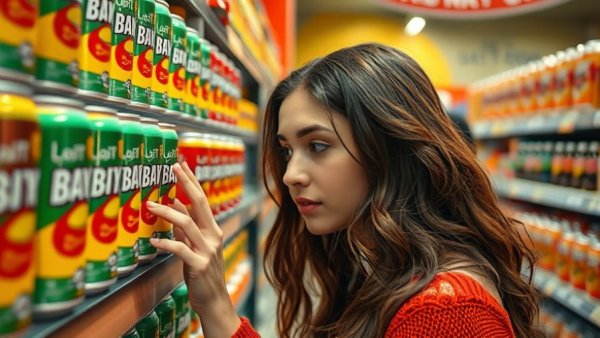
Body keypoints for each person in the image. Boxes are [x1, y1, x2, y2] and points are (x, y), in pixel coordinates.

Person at [147, 43, 541, 337]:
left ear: (389, 147)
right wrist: (216, 306)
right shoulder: (383, 268)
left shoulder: (446, 314)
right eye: (286, 150)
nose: (290, 175)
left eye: (318, 146)